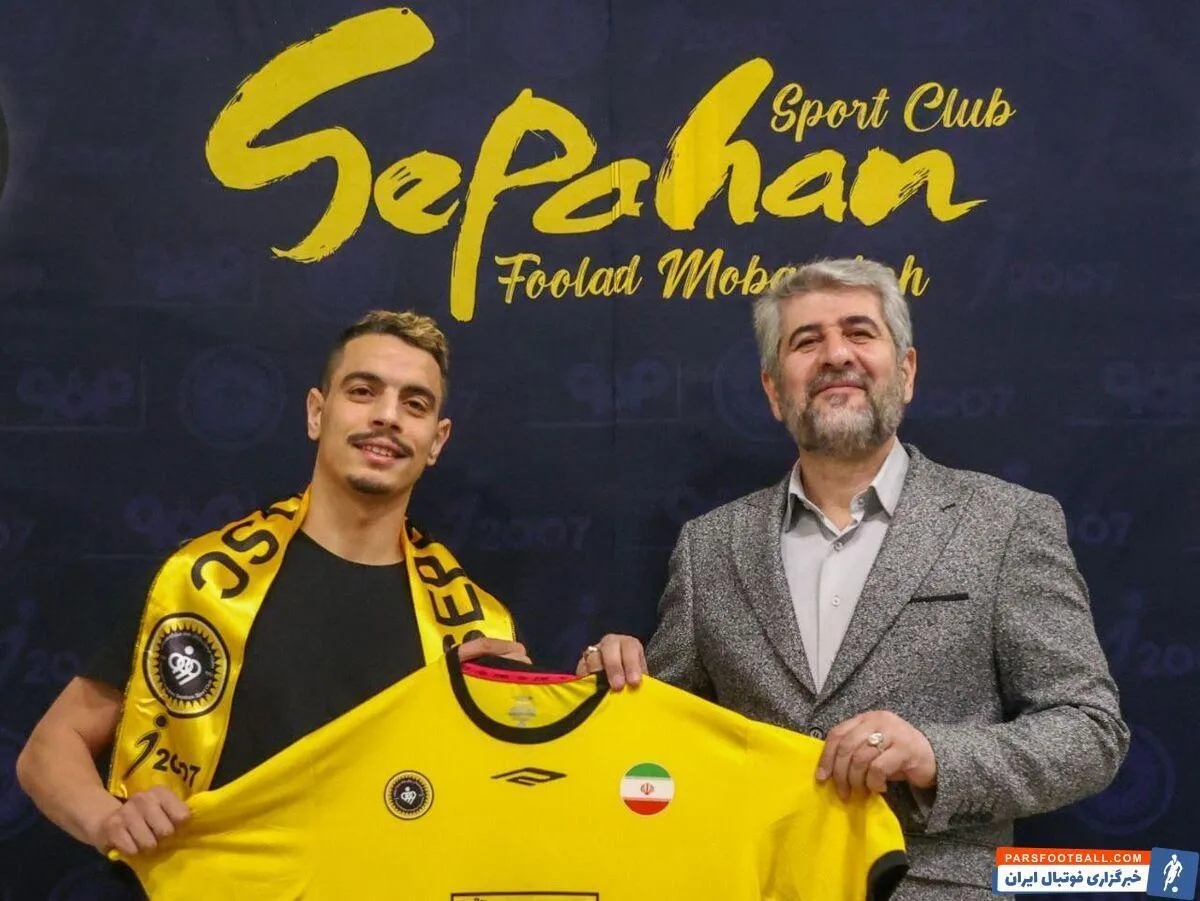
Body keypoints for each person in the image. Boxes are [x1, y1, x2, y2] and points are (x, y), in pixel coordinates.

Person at [16, 310, 645, 873]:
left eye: (415, 403)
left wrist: (599, 702)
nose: (387, 416)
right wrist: (108, 819)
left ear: (436, 441)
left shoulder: (475, 628)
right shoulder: (202, 583)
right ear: (317, 413)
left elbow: (518, 798)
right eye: (363, 391)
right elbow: (49, 749)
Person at [645, 258, 1129, 899]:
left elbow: (1091, 732)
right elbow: (663, 742)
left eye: (859, 332)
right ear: (773, 390)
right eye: (806, 341)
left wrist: (935, 756)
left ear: (906, 372)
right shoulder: (708, 548)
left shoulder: (1008, 522)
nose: (835, 355)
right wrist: (614, 688)